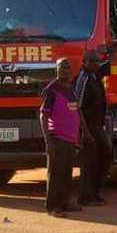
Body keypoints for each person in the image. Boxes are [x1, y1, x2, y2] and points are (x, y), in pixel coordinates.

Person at [40, 57, 85, 217]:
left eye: (67, 67)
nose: (65, 70)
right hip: (57, 138)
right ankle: (53, 207)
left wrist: (79, 134)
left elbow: (75, 112)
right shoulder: (52, 90)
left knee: (67, 173)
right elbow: (43, 116)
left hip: (70, 139)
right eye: (61, 68)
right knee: (55, 174)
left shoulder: (71, 89)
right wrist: (48, 141)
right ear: (56, 71)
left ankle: (65, 202)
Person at [74, 48, 111, 207]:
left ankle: (95, 194)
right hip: (87, 127)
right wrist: (85, 132)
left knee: (104, 157)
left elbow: (107, 65)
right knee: (89, 163)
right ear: (84, 63)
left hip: (98, 126)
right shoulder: (83, 78)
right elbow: (77, 106)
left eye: (97, 61)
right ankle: (85, 197)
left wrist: (114, 49)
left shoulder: (95, 75)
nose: (96, 64)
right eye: (93, 61)